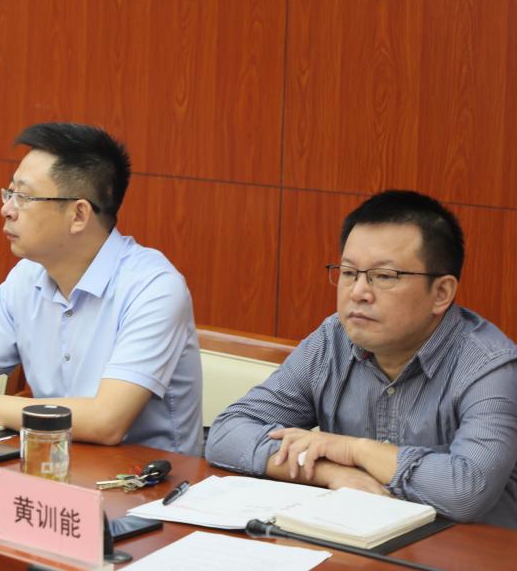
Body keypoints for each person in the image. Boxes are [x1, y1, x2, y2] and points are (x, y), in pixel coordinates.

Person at [206, 190, 517, 528]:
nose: (358, 292)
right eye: (349, 273)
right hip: (353, 540)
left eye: (384, 277)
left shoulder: (489, 365)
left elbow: (468, 489)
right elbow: (227, 433)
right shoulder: (333, 340)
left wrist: (355, 450)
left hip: (462, 550)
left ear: (441, 293)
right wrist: (330, 472)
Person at [0, 123, 203, 453]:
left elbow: (106, 420)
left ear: (78, 215)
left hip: (144, 477)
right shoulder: (27, 277)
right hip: (53, 462)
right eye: (9, 193)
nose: (6, 209)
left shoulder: (153, 288)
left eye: (24, 197)